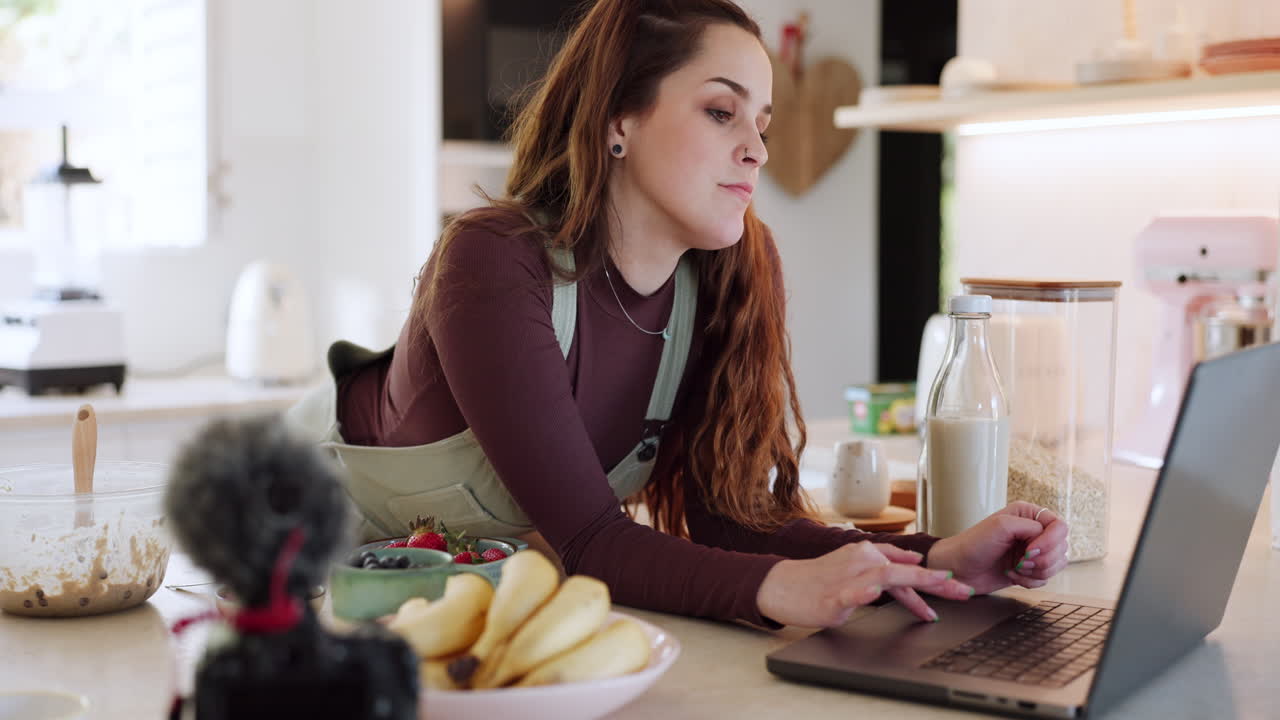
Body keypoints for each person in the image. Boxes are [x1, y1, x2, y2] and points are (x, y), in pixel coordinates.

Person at [288, 0, 1069, 630]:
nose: (756, 150)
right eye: (721, 113)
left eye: (760, 123)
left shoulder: (728, 279)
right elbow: (592, 541)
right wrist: (777, 589)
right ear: (618, 121)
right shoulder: (494, 261)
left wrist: (941, 558)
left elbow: (732, 521)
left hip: (444, 597)